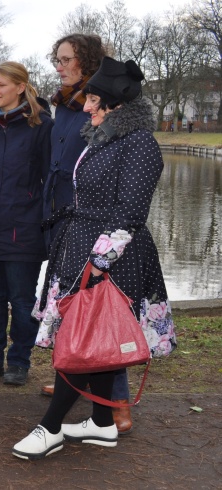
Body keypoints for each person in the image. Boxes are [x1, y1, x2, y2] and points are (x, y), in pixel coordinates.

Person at [13, 57, 177, 460]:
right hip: (80, 244)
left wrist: (99, 262)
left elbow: (131, 213)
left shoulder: (140, 144)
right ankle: (102, 422)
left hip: (112, 257)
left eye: (95, 102)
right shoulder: (105, 139)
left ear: (118, 106)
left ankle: (50, 427)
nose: (86, 107)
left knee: (80, 335)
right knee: (94, 336)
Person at [41, 34, 134, 436]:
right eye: (56, 59)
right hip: (65, 215)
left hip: (95, 223)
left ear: (88, 62)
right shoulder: (61, 104)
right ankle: (74, 378)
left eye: (65, 59)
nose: (58, 66)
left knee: (100, 311)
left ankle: (117, 403)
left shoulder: (101, 106)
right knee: (69, 306)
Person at [0, 61, 53, 386]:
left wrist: (43, 226)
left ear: (20, 87)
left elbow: (49, 183)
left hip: (24, 233)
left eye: (1, 84)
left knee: (22, 301)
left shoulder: (41, 126)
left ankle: (19, 362)